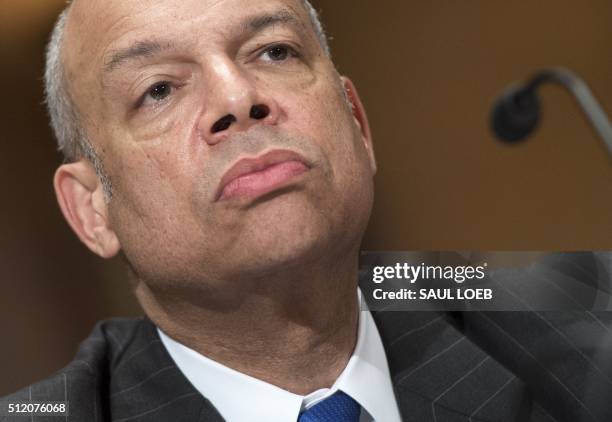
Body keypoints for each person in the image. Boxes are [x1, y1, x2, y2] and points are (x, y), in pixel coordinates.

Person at [2, 1, 611, 421]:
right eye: (158, 89)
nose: (239, 99)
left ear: (357, 124)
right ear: (93, 210)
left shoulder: (581, 319)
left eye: (273, 52)